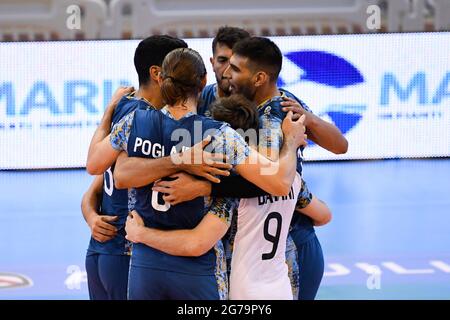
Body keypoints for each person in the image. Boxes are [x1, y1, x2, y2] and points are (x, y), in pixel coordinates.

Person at [109, 47, 306, 300]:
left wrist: (109, 113)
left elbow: (106, 169)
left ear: (161, 79)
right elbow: (278, 183)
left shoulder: (135, 122)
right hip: (197, 270)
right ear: (203, 81)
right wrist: (289, 141)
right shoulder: (219, 134)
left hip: (145, 265)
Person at [81, 35, 189, 300]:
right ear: (157, 73)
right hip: (125, 254)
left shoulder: (125, 106)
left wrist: (91, 215)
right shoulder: (142, 118)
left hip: (102, 250)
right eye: (179, 68)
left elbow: (96, 179)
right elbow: (96, 166)